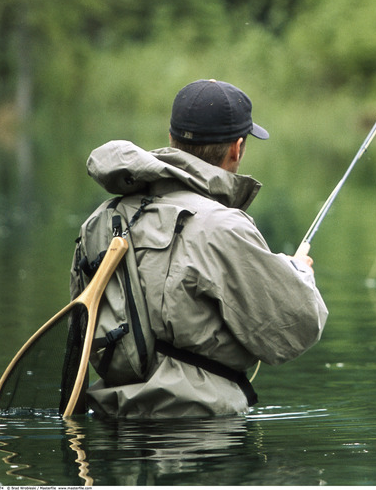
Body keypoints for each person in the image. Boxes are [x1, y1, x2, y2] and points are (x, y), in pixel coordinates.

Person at [71, 79, 328, 417]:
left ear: (171, 141)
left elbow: (80, 325)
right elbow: (296, 327)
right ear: (237, 149)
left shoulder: (99, 220)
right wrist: (299, 274)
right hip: (202, 429)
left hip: (109, 420)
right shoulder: (222, 227)